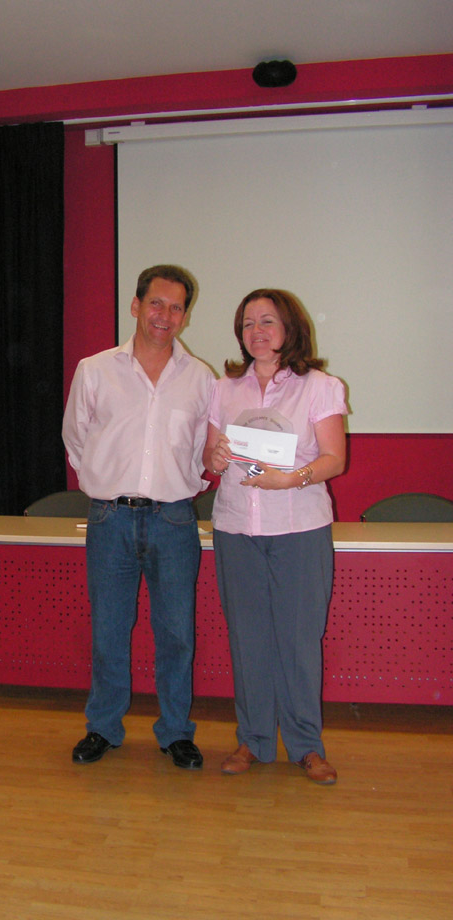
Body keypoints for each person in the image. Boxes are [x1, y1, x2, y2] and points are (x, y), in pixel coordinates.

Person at [62, 265, 214, 768]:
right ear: (135, 306)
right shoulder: (95, 370)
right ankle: (103, 727)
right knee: (109, 631)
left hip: (174, 521)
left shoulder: (201, 379)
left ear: (185, 316)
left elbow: (202, 450)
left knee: (177, 634)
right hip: (111, 519)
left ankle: (176, 732)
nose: (164, 315)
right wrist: (106, 480)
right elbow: (75, 439)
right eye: (156, 303)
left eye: (176, 307)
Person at [203, 288, 347, 784]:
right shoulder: (224, 388)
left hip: (298, 528)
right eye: (248, 324)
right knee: (247, 639)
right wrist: (214, 458)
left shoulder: (320, 386)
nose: (256, 332)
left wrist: (292, 479)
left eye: (267, 321)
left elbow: (334, 459)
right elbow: (210, 458)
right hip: (236, 528)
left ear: (290, 327)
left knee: (299, 640)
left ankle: (306, 746)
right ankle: (253, 740)